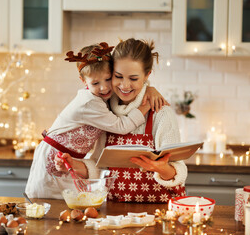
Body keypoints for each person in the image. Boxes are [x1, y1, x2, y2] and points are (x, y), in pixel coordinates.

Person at [25, 42, 168, 199]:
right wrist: (146, 105)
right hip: (54, 158)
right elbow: (121, 126)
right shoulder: (90, 103)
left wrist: (149, 88)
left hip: (69, 158)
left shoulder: (100, 97)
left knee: (71, 203)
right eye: (95, 83)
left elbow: (131, 87)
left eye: (108, 79)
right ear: (83, 81)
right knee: (48, 202)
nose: (104, 88)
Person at [55, 38, 187, 203]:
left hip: (160, 210)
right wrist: (74, 165)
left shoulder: (160, 112)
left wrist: (162, 169)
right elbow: (99, 166)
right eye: (118, 76)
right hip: (115, 213)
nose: (125, 85)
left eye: (133, 78)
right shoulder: (105, 111)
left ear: (147, 75)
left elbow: (179, 171)